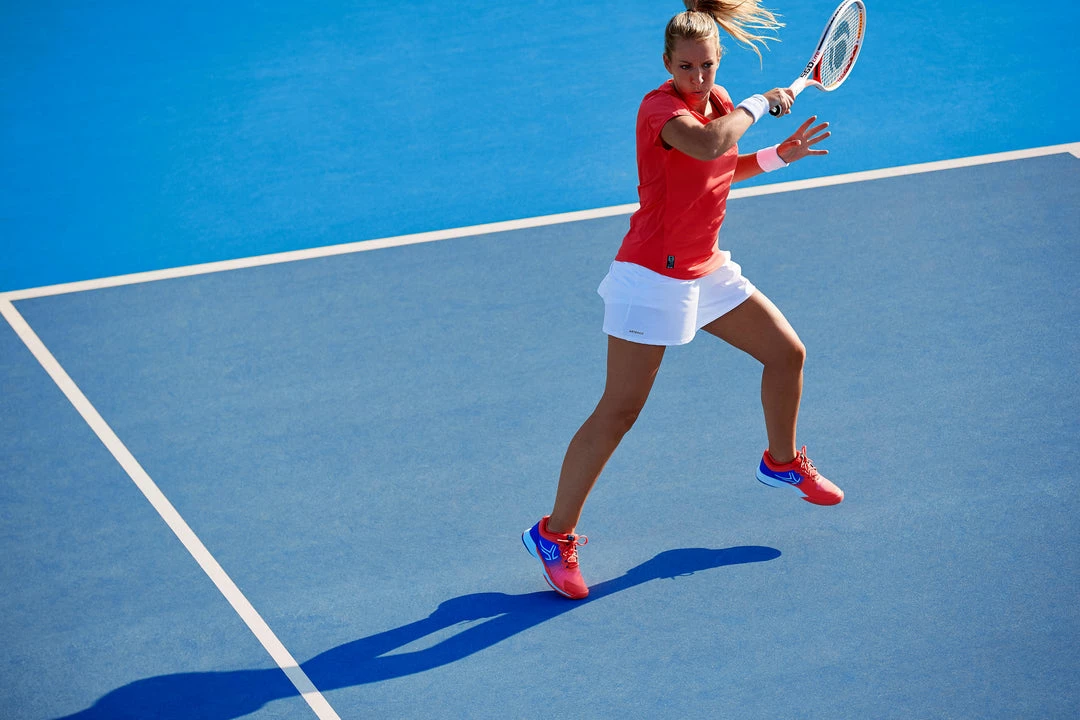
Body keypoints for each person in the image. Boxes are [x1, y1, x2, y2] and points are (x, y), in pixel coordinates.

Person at [523, 0, 843, 601]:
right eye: (687, 67)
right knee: (620, 410)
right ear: (667, 64)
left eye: (708, 66)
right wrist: (760, 103)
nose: (699, 78)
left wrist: (777, 156)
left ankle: (780, 461)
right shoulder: (660, 111)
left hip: (706, 268)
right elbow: (707, 145)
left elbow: (719, 167)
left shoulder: (719, 102)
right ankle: (553, 534)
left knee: (787, 354)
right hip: (651, 276)